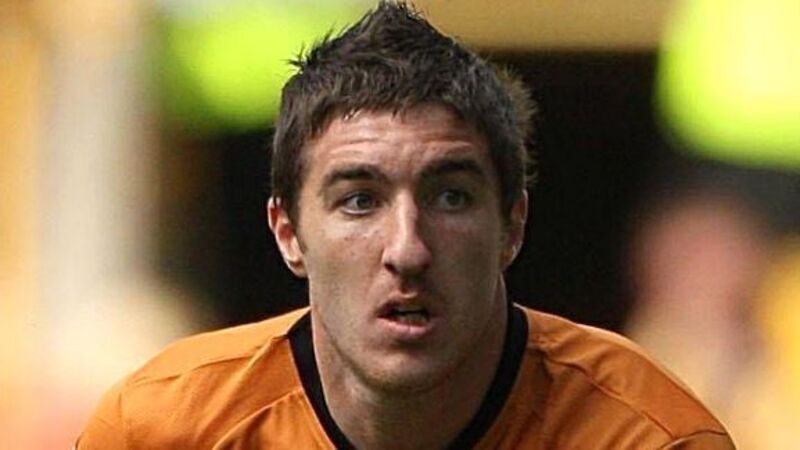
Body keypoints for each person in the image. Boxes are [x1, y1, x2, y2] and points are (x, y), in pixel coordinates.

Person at [77, 2, 735, 448]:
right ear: (288, 234)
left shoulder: (649, 436)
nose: (407, 249)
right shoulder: (161, 429)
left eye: (450, 197)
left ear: (513, 226)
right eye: (359, 201)